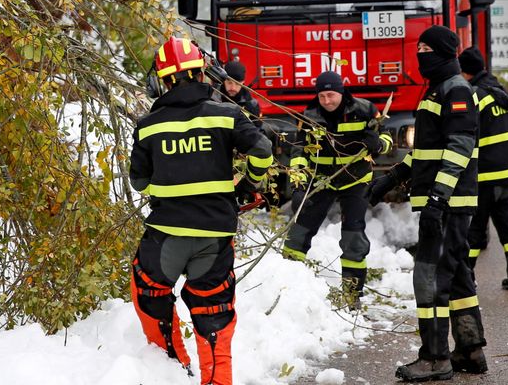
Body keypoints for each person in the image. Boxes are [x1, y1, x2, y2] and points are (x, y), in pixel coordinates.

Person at [129, 36, 273, 385]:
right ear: (202, 74)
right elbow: (263, 151)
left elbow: (140, 183)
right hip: (215, 236)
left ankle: (171, 368)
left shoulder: (149, 126)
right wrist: (248, 186)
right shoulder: (227, 115)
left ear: (162, 80)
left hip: (166, 236)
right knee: (213, 315)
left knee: (149, 290)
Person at [368, 26, 488, 381]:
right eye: (418, 48)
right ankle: (469, 348)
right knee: (458, 276)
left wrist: (438, 198)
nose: (420, 54)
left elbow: (459, 148)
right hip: (445, 200)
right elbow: (425, 153)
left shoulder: (456, 90)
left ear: (443, 53)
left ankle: (434, 358)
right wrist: (393, 178)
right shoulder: (437, 90)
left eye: (426, 48)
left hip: (448, 202)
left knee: (429, 277)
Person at [282, 71, 392, 308]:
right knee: (298, 234)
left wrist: (380, 144)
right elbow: (299, 150)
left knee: (353, 236)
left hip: (355, 180)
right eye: (321, 96)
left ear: (341, 92)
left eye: (331, 95)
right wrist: (298, 183)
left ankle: (352, 297)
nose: (327, 101)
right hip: (322, 180)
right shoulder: (309, 115)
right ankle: (287, 291)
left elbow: (386, 136)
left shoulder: (364, 110)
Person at [458, 47, 508, 291]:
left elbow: (466, 133)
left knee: (475, 230)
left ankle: (466, 280)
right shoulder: (500, 91)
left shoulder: (476, 96)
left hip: (485, 176)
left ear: (464, 72)